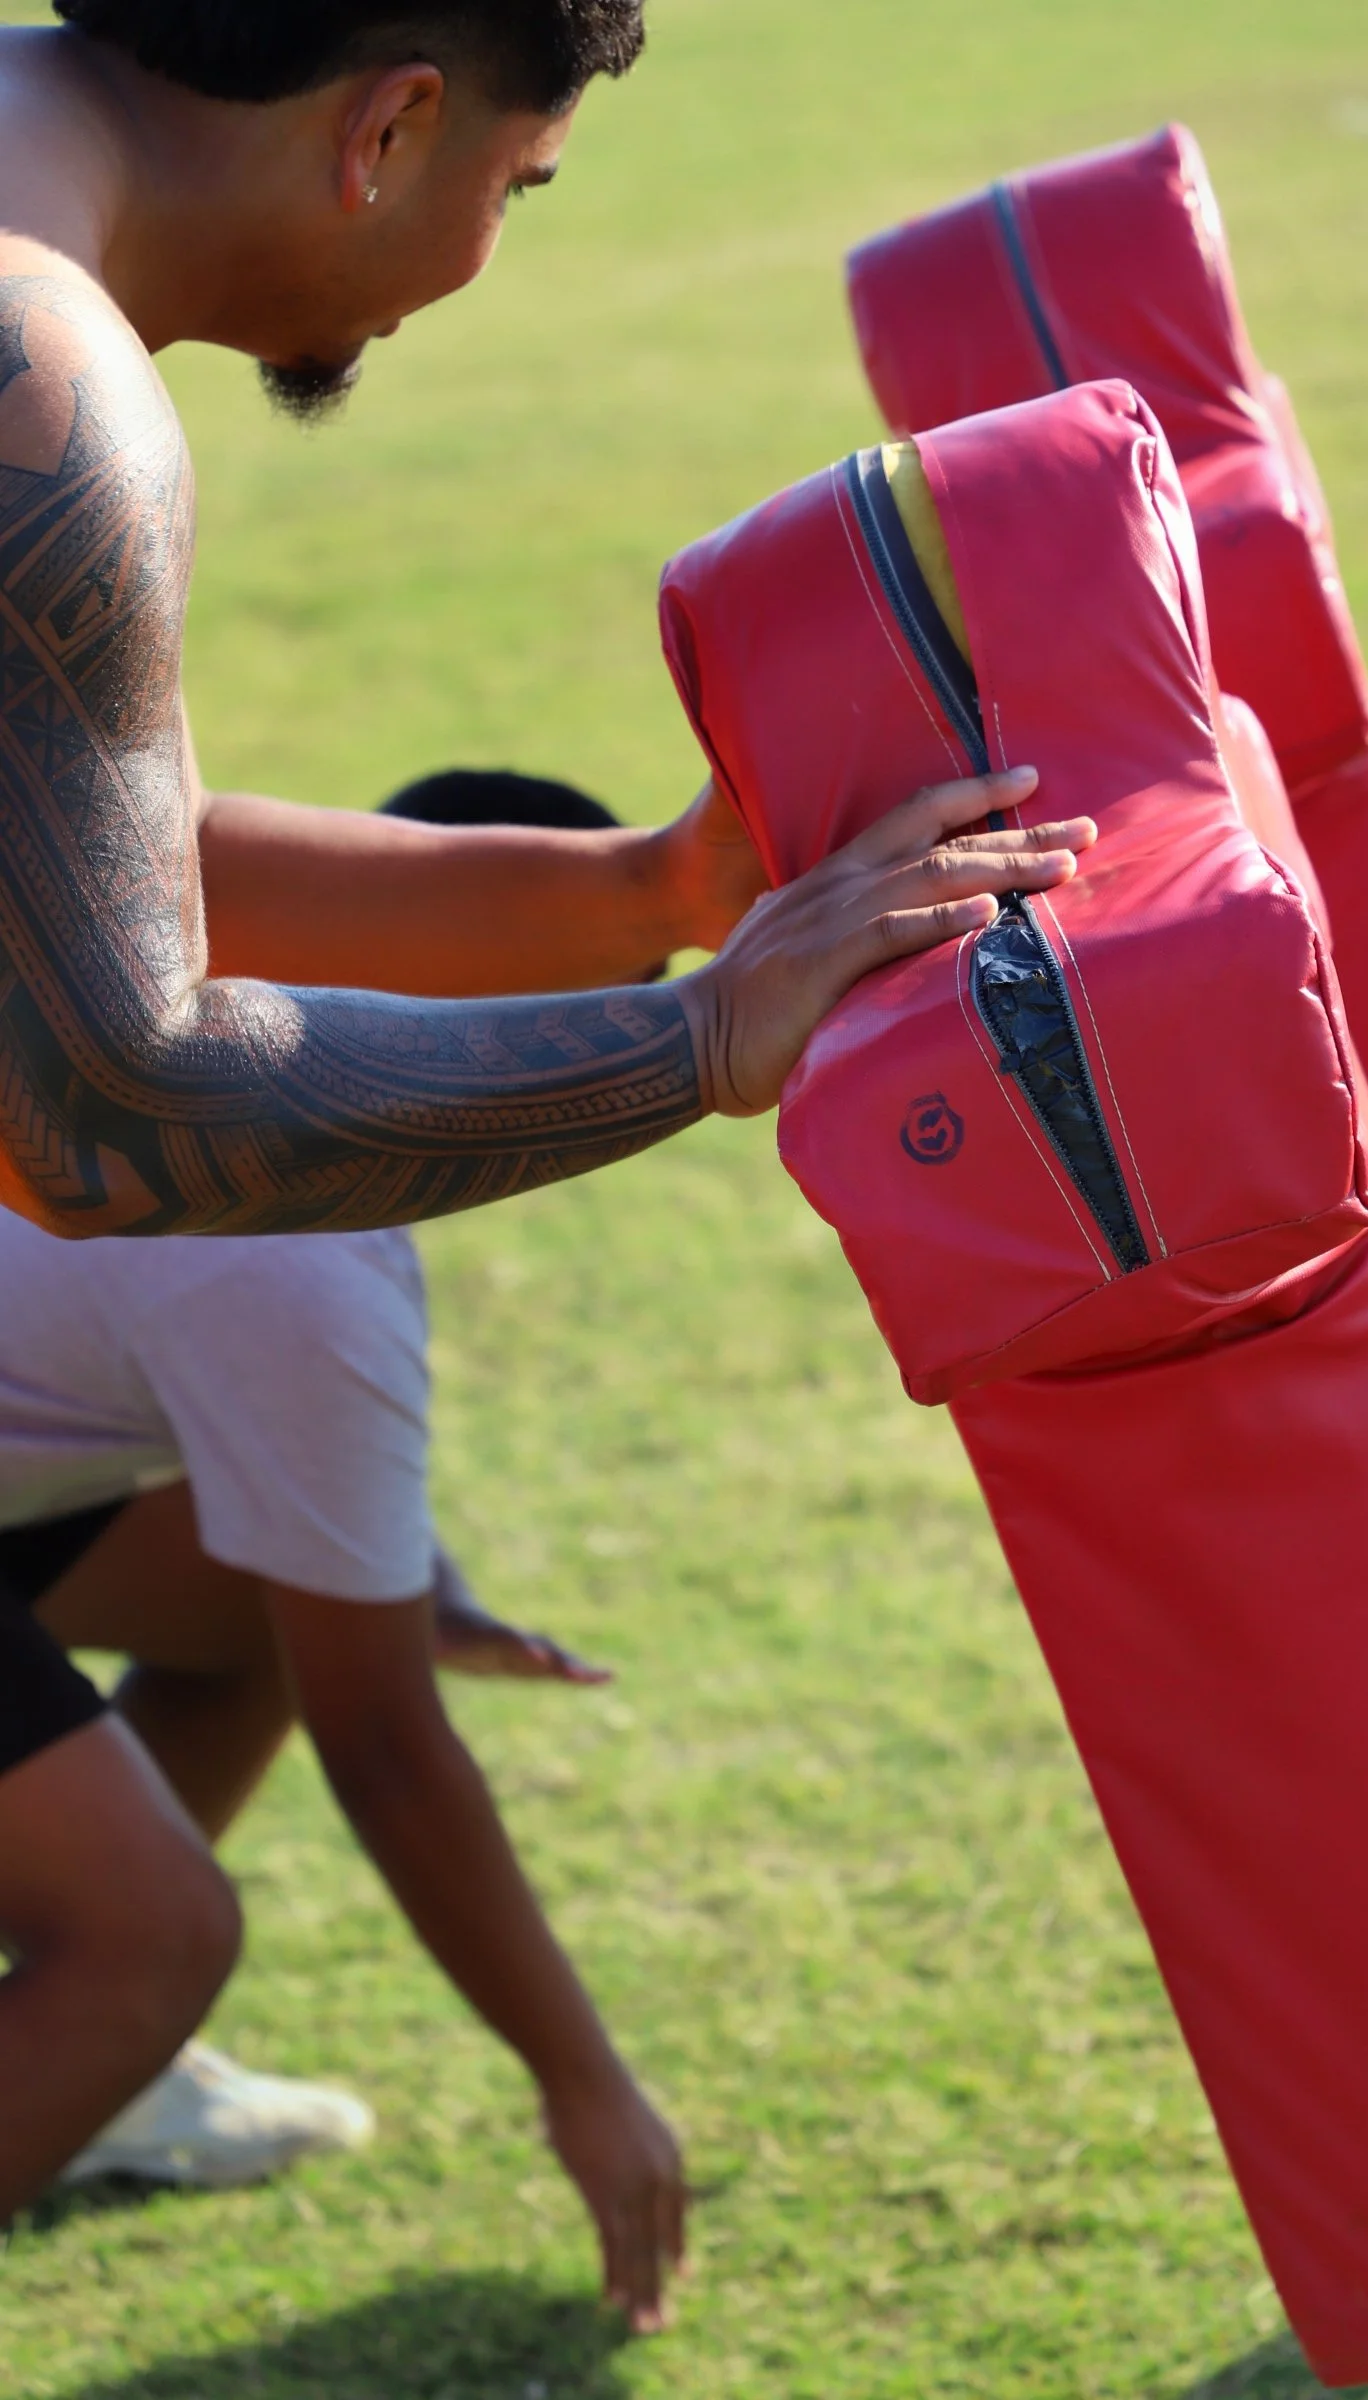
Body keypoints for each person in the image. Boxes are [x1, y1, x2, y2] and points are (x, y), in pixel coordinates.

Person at [0, 0, 1097, 2331]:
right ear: (392, 124)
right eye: (515, 188)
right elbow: (115, 1107)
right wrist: (696, 1036)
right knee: (141, 1928)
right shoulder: (39, 382)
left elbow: (98, 865)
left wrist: (649, 890)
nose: (467, 257)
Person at [0, 774, 648, 2211]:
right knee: (150, 1943)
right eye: (588, 1047)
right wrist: (585, 2081)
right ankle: (86, 2014)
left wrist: (411, 1586)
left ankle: (77, 2055)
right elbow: (389, 1754)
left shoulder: (145, 968)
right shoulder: (291, 1232)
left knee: (250, 1623)